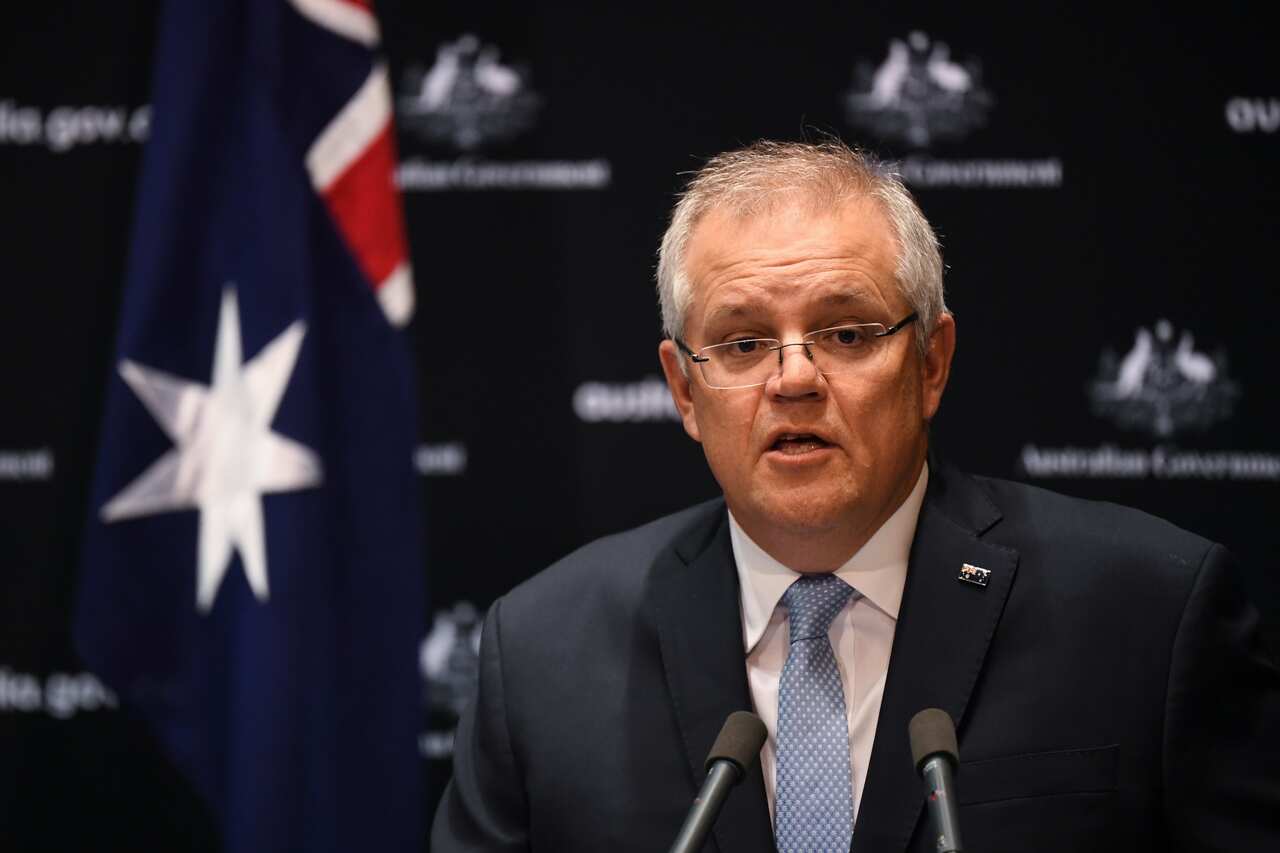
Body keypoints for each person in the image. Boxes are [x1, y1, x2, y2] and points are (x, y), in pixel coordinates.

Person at [431, 140, 1279, 852]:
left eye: (845, 332)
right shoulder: (540, 656)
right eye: (742, 343)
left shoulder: (1147, 615)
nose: (794, 377)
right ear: (684, 390)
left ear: (931, 362)